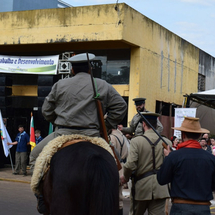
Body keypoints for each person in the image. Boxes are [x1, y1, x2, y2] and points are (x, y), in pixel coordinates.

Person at [29, 53, 127, 214]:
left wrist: (57, 120)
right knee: (114, 163)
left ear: (73, 69)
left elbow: (46, 110)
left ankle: (40, 198)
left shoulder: (60, 85)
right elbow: (120, 106)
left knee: (35, 156)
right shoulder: (102, 85)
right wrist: (106, 126)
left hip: (63, 135)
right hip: (94, 135)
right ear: (90, 68)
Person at [157, 117, 215, 215]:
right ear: (199, 135)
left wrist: (168, 158)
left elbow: (161, 179)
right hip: (203, 208)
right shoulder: (211, 158)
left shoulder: (174, 156)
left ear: (183, 134)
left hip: (180, 208)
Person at [120, 112, 171, 215]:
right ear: (157, 124)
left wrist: (125, 177)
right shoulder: (166, 142)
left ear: (143, 124)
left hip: (141, 188)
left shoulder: (136, 141)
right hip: (160, 188)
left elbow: (130, 164)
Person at [109, 127, 129, 215]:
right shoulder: (122, 136)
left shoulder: (112, 137)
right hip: (122, 166)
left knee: (114, 198)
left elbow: (112, 153)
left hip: (116, 167)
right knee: (119, 198)